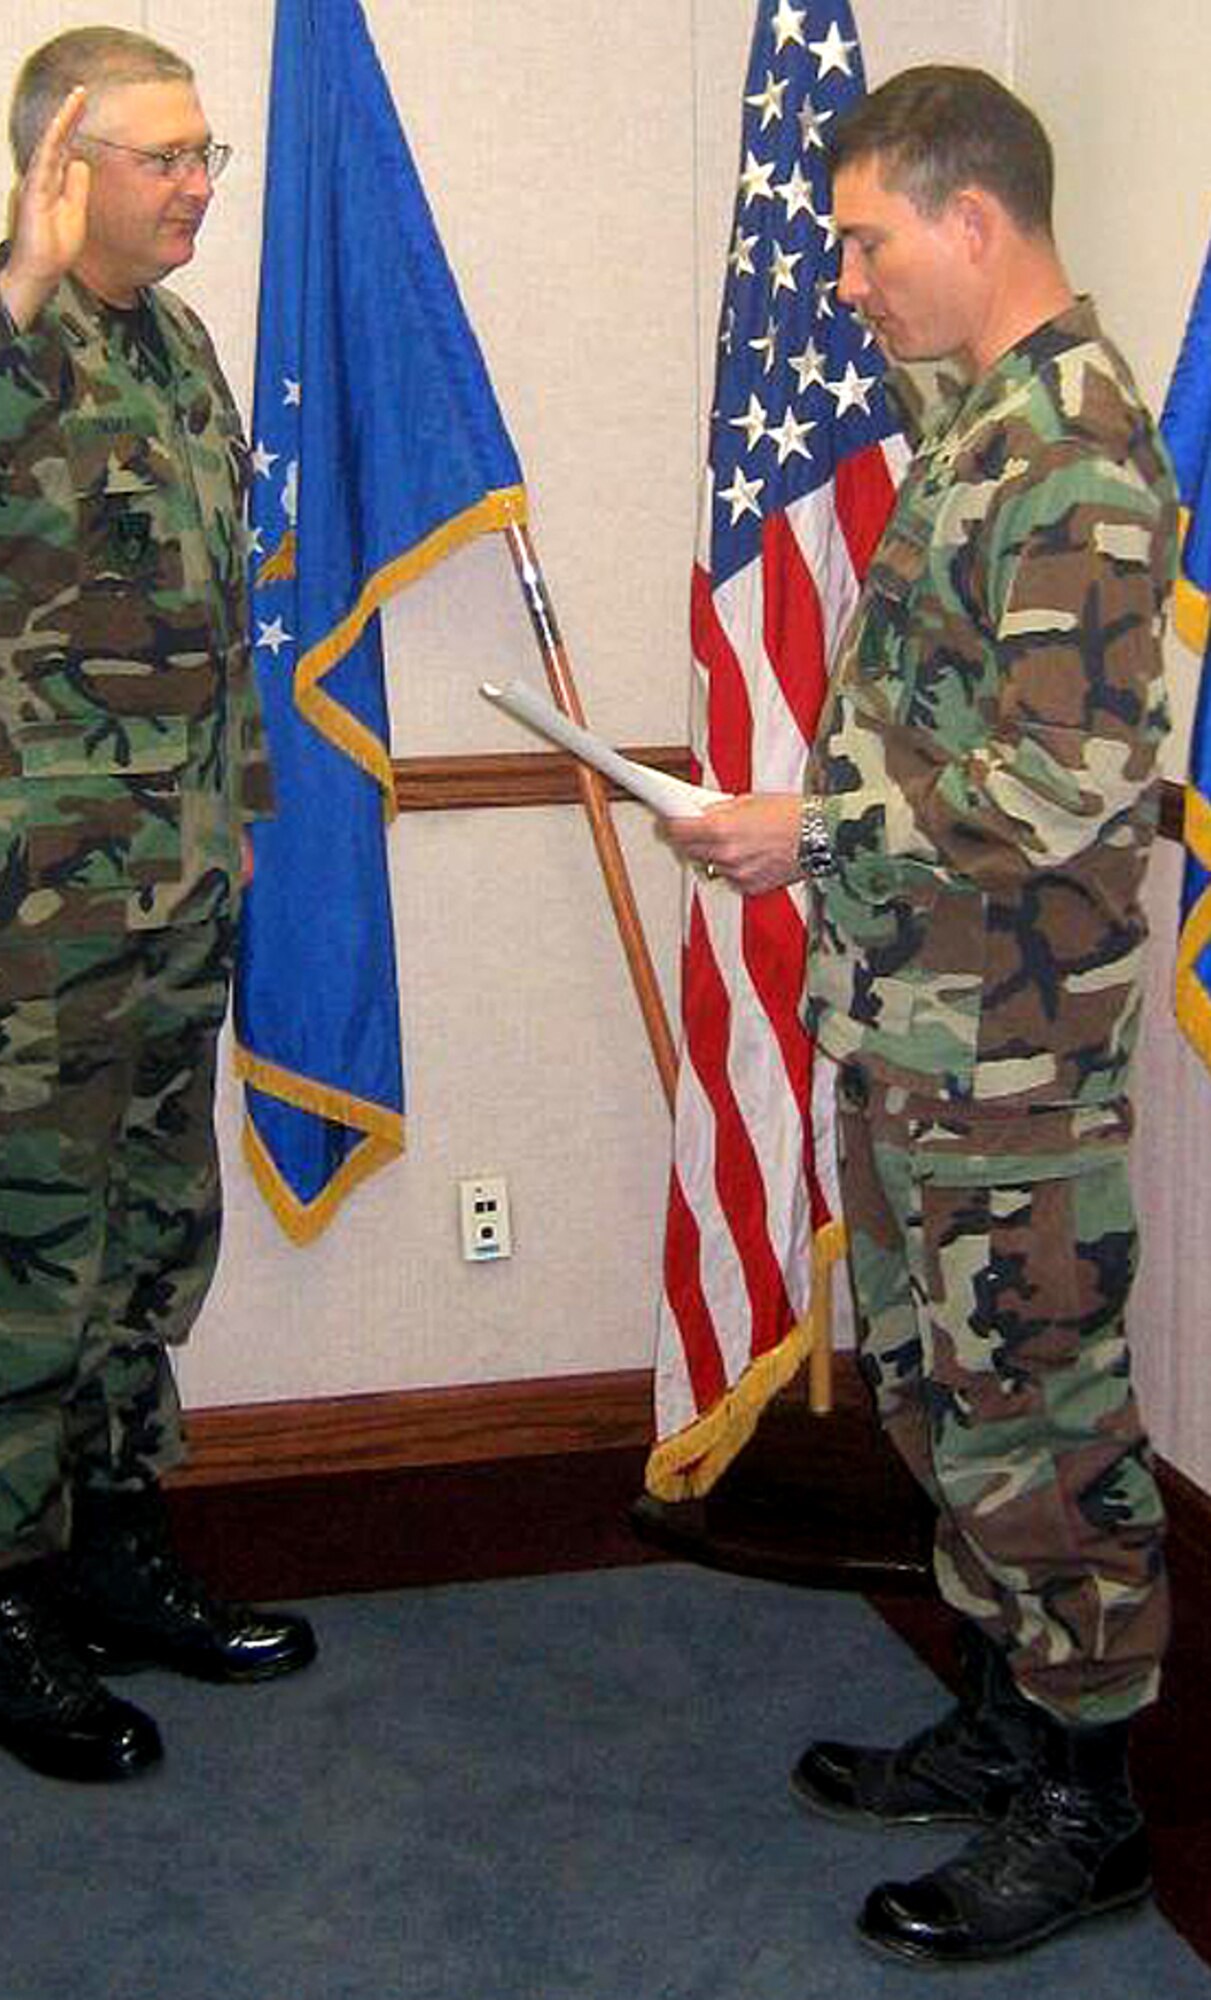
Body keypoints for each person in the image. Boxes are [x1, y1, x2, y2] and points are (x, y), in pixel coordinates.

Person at [662, 67, 1174, 1964]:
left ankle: (1092, 1804)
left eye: (869, 242)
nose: (846, 282)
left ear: (977, 220)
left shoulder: (1077, 454)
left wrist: (811, 829)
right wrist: (825, 840)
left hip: (1012, 1053)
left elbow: (1066, 778)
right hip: (919, 1023)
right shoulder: (980, 430)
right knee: (937, 1387)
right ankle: (1004, 1718)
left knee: (1038, 1412)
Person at [0, 27, 316, 1784]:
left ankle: (111, 1546)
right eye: (164, 156)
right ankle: (2, 1616)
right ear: (58, 169)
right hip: (16, 930)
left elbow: (212, 619)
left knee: (148, 1241)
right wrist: (13, 282)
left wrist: (238, 814)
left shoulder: (176, 349)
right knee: (24, 1261)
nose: (197, 186)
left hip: (171, 900)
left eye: (205, 154)